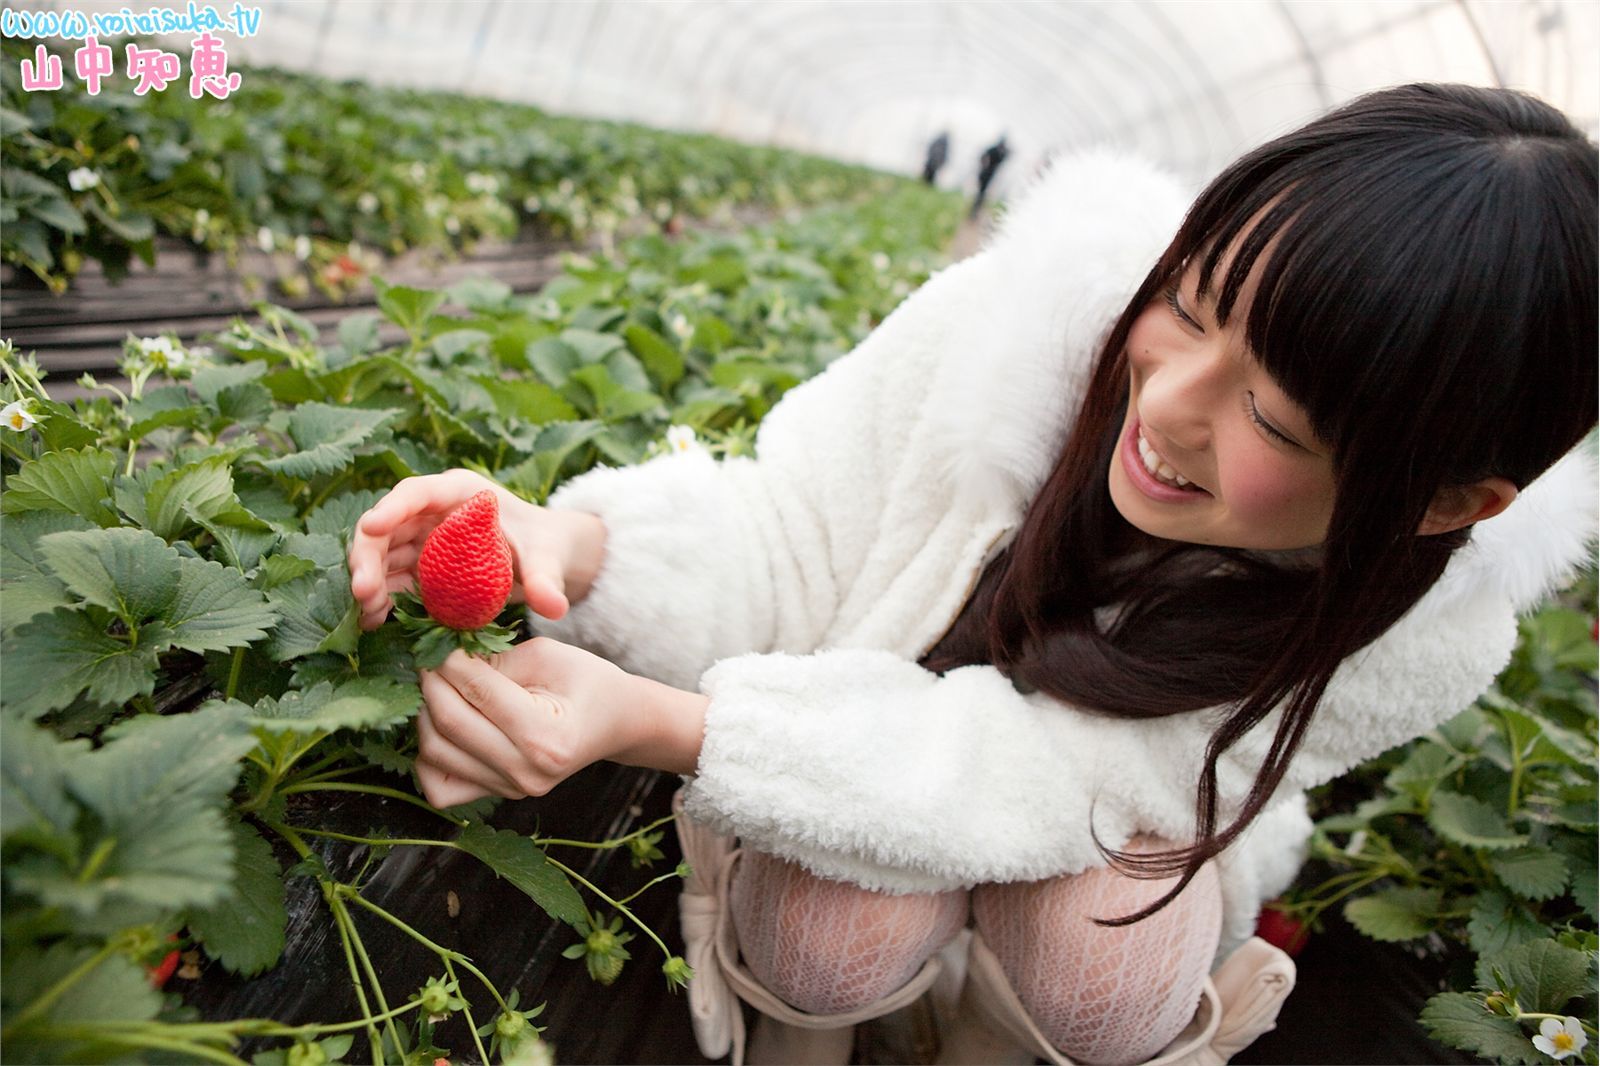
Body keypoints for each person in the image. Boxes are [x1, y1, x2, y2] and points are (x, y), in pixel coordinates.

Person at [348, 84, 1597, 1065]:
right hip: (874, 764)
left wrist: (667, 726)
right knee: (830, 920)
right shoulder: (1018, 329)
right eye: (1191, 303)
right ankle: (806, 1029)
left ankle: (996, 1047)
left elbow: (1061, 780)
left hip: (1104, 844)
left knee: (1103, 948)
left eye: (1275, 421)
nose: (1165, 403)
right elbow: (793, 527)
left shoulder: (1417, 629)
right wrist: (575, 546)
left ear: (1445, 505)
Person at [971, 133, 1010, 217]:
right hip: (985, 175)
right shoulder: (995, 150)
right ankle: (974, 211)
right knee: (980, 194)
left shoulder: (999, 151)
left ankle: (975, 211)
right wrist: (984, 165)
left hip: (989, 175)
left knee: (981, 194)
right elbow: (982, 157)